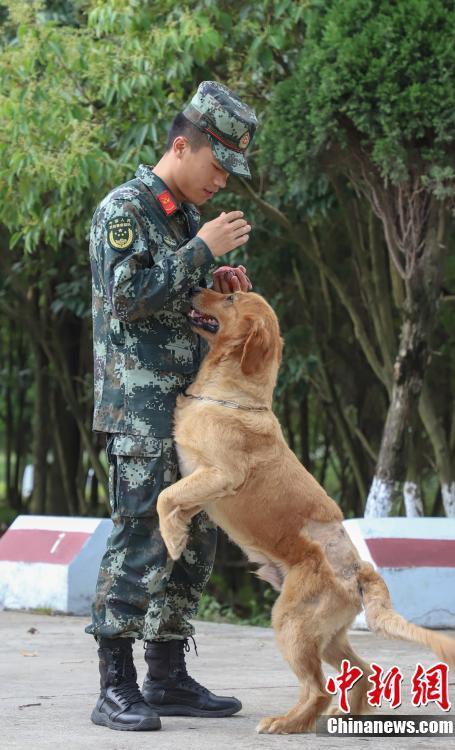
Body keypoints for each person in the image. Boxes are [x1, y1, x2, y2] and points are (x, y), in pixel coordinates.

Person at [86, 81, 258, 731]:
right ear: (181, 146)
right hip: (142, 413)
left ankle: (165, 675)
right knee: (140, 541)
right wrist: (203, 251)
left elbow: (174, 304)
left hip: (192, 414)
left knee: (194, 544)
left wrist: (215, 287)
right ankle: (114, 684)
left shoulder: (182, 218)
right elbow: (128, 298)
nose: (222, 183)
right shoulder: (125, 209)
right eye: (218, 166)